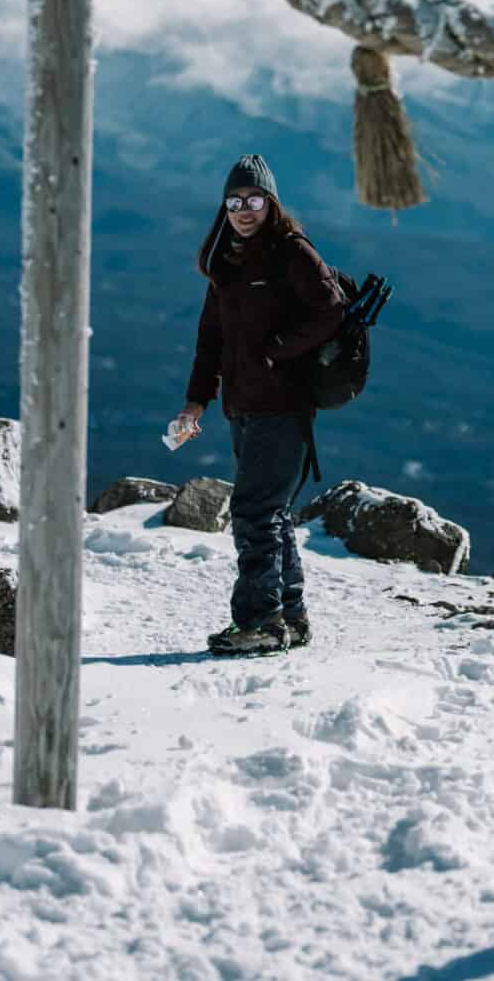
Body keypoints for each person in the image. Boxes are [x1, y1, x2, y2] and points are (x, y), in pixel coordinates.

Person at [171, 154, 347, 656]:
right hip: (241, 407)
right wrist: (195, 403)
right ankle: (290, 617)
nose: (243, 210)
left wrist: (277, 349)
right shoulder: (227, 262)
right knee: (271, 512)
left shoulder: (292, 252)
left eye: (253, 199)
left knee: (253, 511)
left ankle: (260, 622)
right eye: (234, 201)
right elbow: (210, 339)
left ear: (270, 202)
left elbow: (331, 310)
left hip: (284, 406)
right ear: (224, 208)